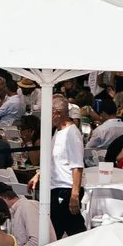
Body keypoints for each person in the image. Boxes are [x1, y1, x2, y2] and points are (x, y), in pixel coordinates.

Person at [44, 94, 85, 236]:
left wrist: (75, 194)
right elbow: (54, 159)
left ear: (57, 113)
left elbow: (77, 166)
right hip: (56, 187)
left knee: (69, 230)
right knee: (63, 229)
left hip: (66, 188)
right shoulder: (57, 131)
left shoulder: (71, 133)